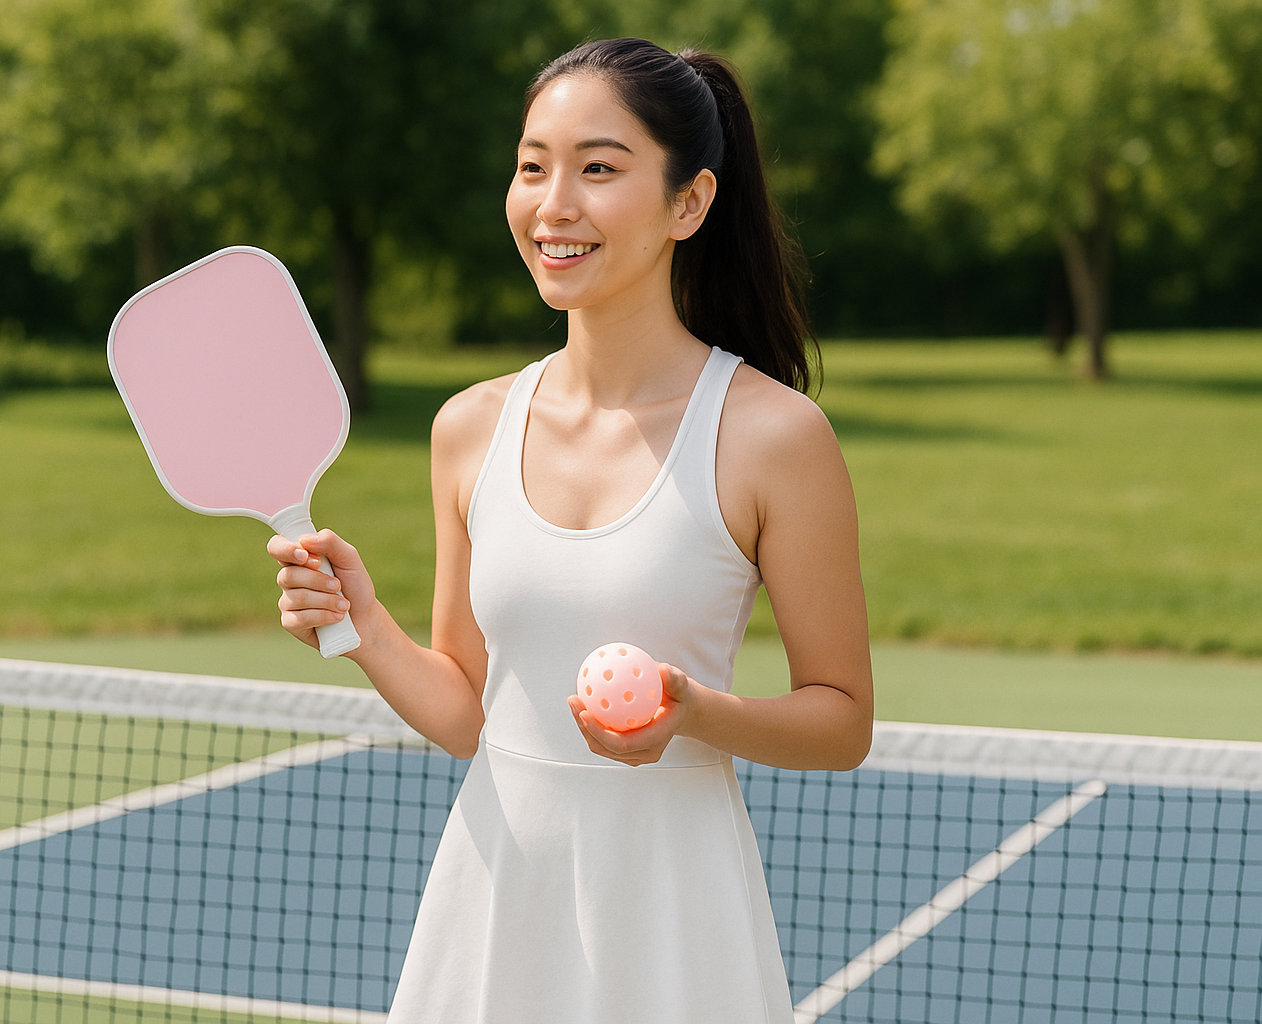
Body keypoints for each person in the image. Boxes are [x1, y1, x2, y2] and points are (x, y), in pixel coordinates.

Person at [269, 37, 873, 1024]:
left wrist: (693, 711)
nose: (553, 203)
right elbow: (472, 714)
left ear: (690, 202)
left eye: (598, 167)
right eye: (532, 164)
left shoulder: (775, 437)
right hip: (496, 901)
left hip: (677, 922)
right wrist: (366, 626)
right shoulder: (467, 427)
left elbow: (842, 717)